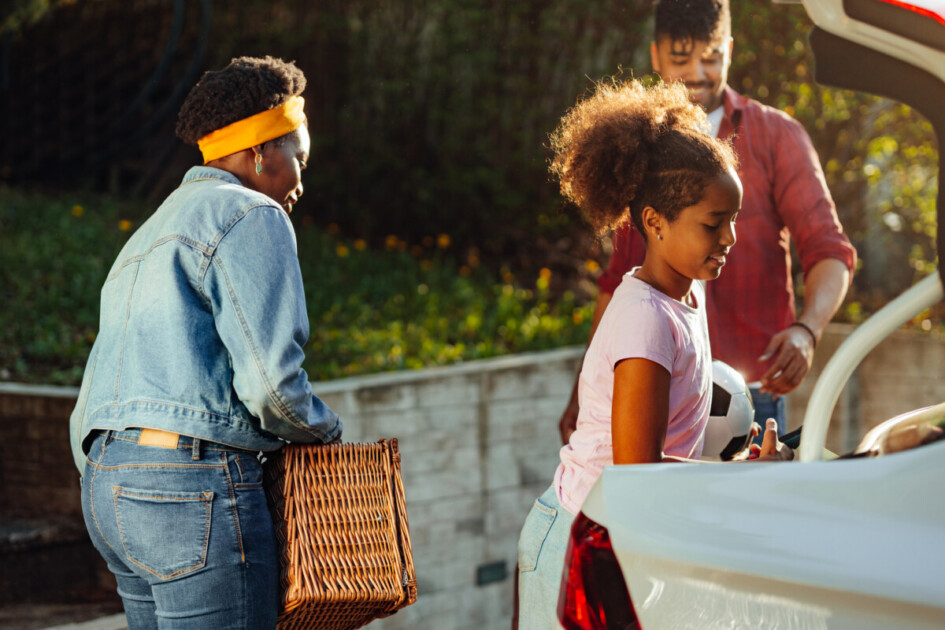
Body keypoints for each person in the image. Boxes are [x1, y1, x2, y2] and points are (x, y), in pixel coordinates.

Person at [69, 56, 342, 629]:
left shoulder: (150, 232)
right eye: (299, 158)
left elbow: (96, 390)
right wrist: (327, 434)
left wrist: (117, 473)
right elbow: (272, 387)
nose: (301, 180)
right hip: (191, 488)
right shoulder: (251, 213)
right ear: (261, 150)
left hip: (107, 488)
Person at [517, 78, 793, 630]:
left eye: (733, 219)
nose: (731, 238)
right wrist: (736, 481)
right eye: (713, 223)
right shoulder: (645, 320)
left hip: (620, 534)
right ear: (654, 222)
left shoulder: (689, 292)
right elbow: (636, 474)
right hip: (577, 539)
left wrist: (737, 467)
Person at [556, 0, 857, 445]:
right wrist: (580, 391)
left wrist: (807, 330)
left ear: (730, 50)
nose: (697, 73)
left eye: (712, 57)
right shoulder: (640, 154)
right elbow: (618, 281)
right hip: (658, 390)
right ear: (656, 55)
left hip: (752, 394)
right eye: (681, 58)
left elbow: (828, 249)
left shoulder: (777, 136)